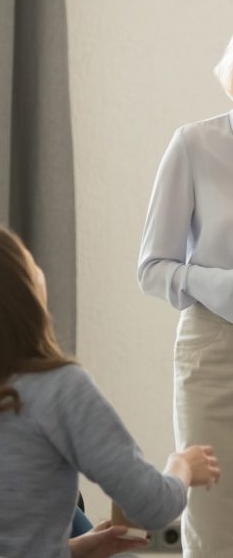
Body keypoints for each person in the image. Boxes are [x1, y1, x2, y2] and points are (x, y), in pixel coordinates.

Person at [0, 225, 220, 558]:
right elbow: (152, 506)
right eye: (30, 263)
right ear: (23, 296)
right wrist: (183, 465)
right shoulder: (60, 387)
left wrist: (77, 549)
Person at [138, 37, 233, 558]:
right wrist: (221, 284)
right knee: (216, 524)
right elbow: (152, 268)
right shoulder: (194, 145)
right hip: (216, 352)